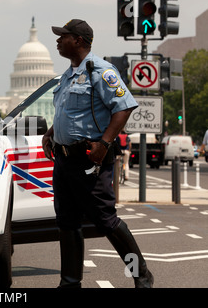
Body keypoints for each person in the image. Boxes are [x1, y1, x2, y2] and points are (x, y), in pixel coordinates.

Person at [41, 19, 153, 288]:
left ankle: (141, 275)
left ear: (78, 40)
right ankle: (70, 282)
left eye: (63, 36)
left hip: (89, 159)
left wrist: (104, 143)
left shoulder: (102, 72)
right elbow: (69, 113)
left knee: (106, 220)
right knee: (66, 222)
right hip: (64, 159)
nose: (57, 41)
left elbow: (124, 107)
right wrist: (51, 133)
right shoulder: (68, 75)